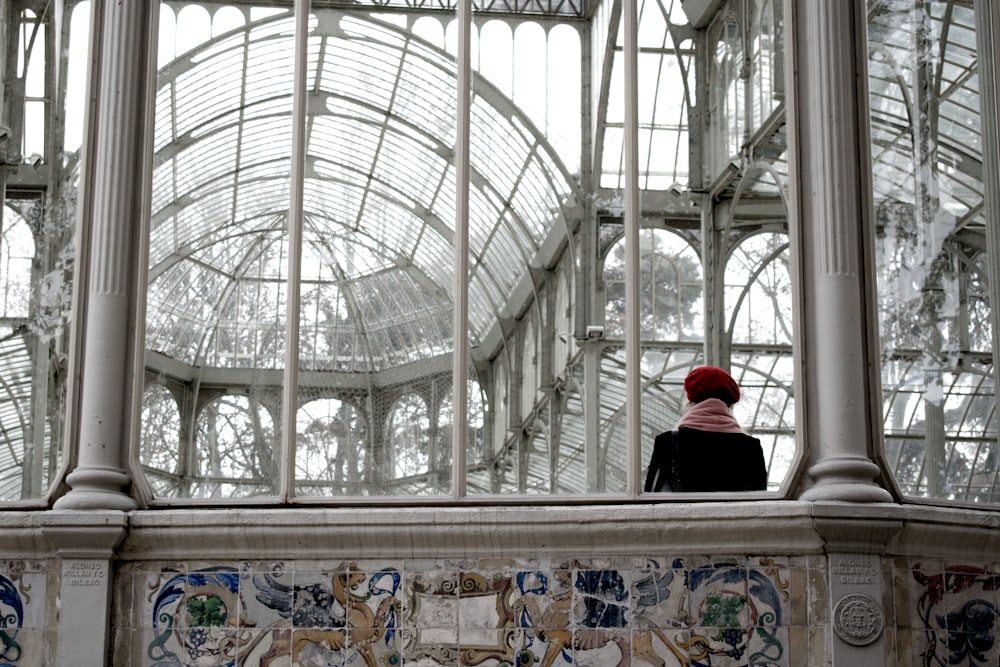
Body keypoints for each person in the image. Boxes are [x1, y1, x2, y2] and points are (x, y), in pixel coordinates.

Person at [644, 365, 768, 492]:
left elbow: (651, 493)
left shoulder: (667, 441)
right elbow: (760, 501)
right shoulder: (752, 447)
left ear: (690, 400)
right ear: (730, 404)